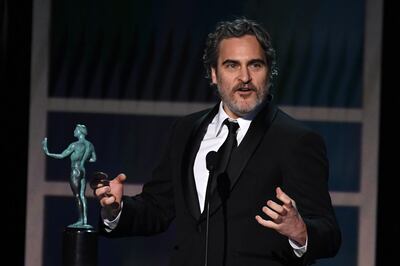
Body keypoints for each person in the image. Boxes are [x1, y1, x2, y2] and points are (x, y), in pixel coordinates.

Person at [93, 18, 341, 265]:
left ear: (270, 72)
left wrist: (300, 231)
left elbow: (329, 234)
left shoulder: (296, 140)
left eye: (255, 65)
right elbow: (158, 208)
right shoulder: (186, 130)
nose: (244, 77)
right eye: (232, 66)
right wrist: (116, 210)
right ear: (214, 74)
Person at [43, 124, 97, 229]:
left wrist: (48, 153)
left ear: (80, 132)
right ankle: (85, 220)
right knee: (82, 196)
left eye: (75, 130)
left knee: (77, 196)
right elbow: (93, 159)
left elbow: (62, 156)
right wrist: (84, 160)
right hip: (83, 170)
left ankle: (81, 220)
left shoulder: (75, 145)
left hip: (75, 170)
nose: (74, 132)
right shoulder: (90, 145)